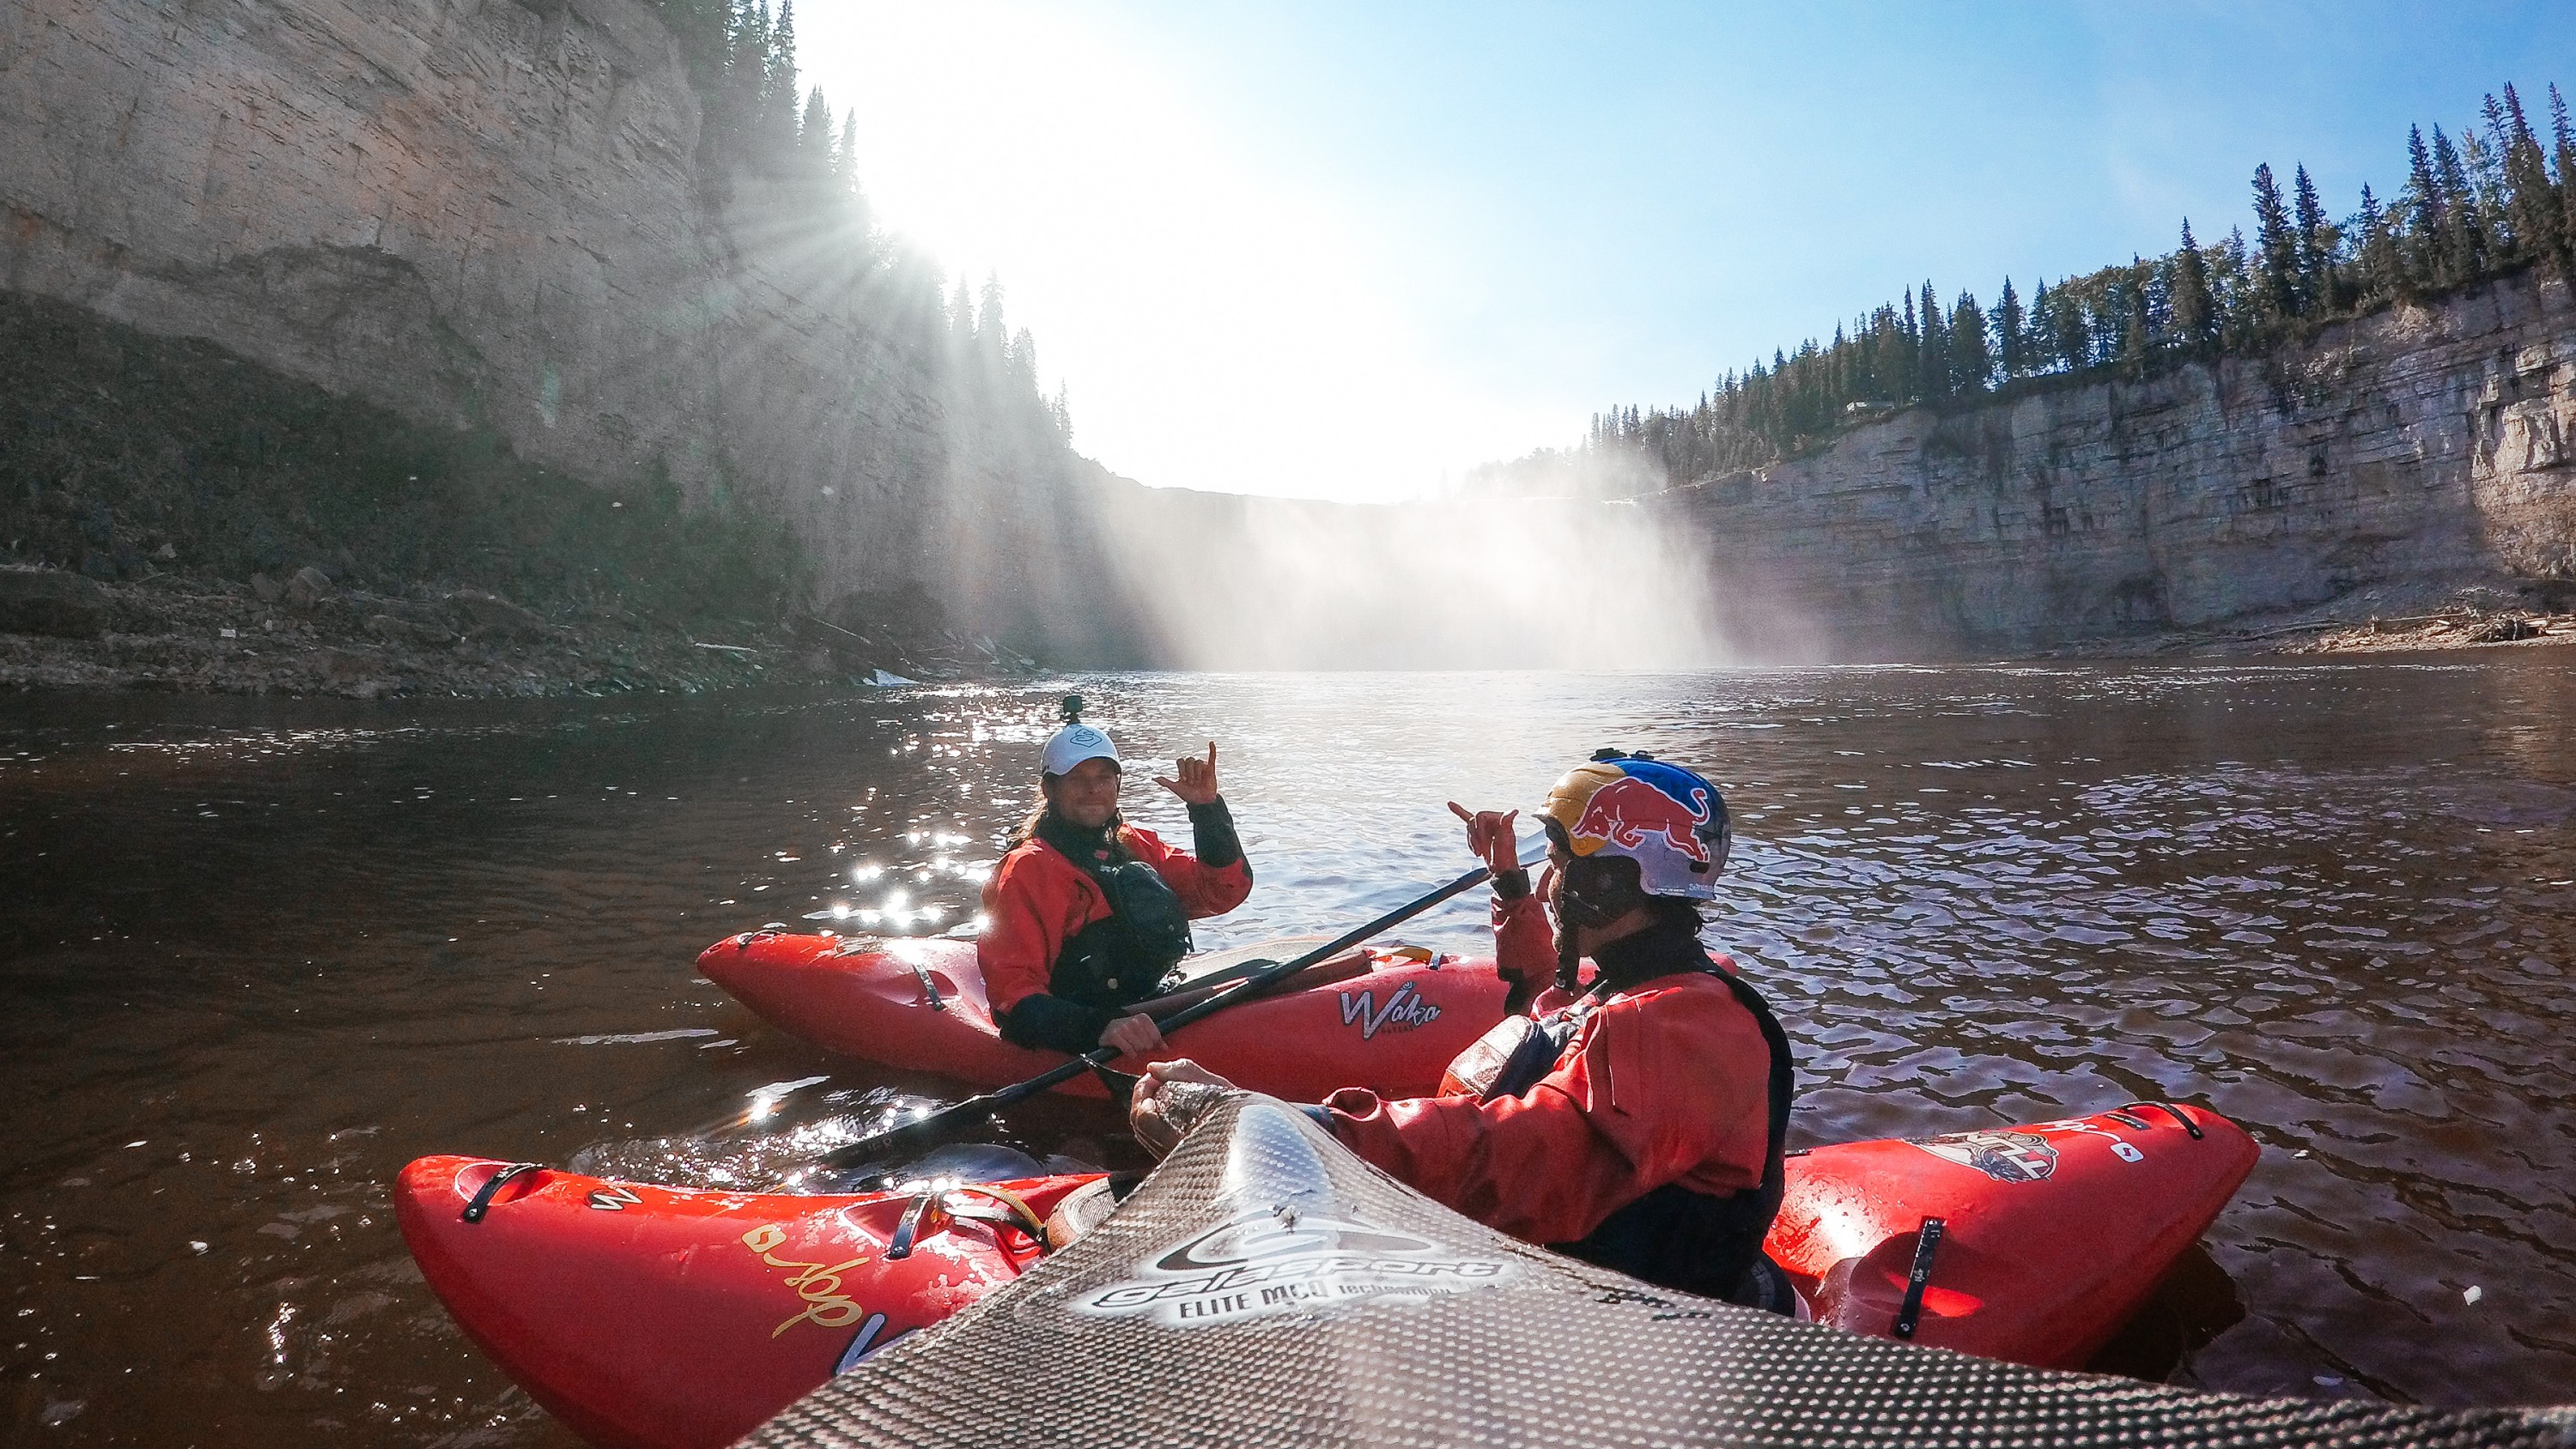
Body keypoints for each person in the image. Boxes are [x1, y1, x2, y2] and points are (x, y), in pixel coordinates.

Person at [1130, 750, 1795, 1307]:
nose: (1550, 883)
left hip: (1632, 1331)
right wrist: (1507, 885)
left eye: (1562, 865)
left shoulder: (1688, 1027)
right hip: (1566, 1283)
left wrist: (1296, 1129)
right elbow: (1551, 1010)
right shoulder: (1638, 991)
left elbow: (1520, 1157)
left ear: (1616, 884)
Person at [978, 697, 1254, 1060]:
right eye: (1077, 778)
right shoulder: (1028, 869)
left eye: (1104, 777)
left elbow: (1221, 893)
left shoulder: (1133, 843)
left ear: (1117, 784)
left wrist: (1206, 811)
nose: (1093, 789)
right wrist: (1099, 1028)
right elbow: (1012, 995)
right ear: (1049, 790)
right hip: (1085, 1026)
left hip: (1152, 1001)